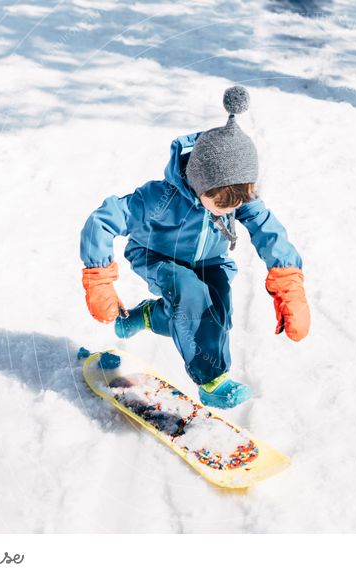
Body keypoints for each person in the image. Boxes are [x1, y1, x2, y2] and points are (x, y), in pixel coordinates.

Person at [79, 86, 310, 409]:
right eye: (219, 204)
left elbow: (268, 229)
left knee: (217, 315)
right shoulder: (160, 198)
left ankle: (148, 316)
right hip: (158, 256)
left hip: (209, 260)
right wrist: (98, 277)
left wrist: (288, 281)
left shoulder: (233, 193)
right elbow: (101, 221)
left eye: (236, 203)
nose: (227, 210)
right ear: (199, 181)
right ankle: (212, 381)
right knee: (191, 297)